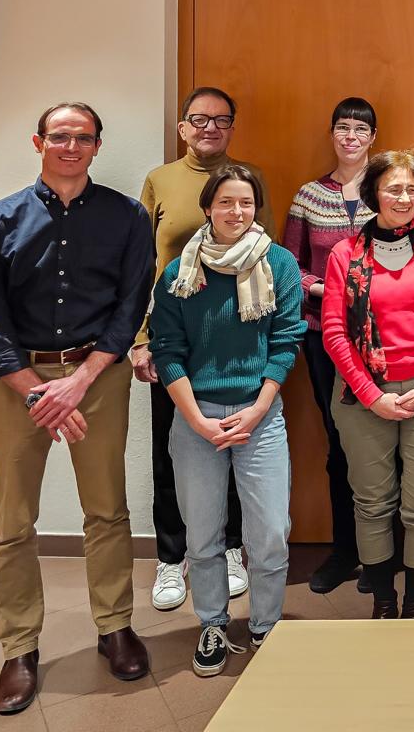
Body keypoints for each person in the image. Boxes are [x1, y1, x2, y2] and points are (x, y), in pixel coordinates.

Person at [0, 102, 152, 713]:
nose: (71, 146)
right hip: (15, 383)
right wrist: (37, 388)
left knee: (107, 509)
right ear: (39, 142)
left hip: (97, 376)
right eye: (60, 136)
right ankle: (19, 648)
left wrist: (79, 381)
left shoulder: (127, 216)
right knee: (12, 521)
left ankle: (115, 627)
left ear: (97, 146)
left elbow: (131, 304)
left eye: (84, 137)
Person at [150, 165, 305, 676]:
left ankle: (266, 626)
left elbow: (286, 341)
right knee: (202, 535)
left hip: (260, 415)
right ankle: (213, 624)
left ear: (256, 208)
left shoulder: (278, 264)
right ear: (207, 208)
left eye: (245, 203)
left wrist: (258, 409)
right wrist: (197, 419)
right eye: (225, 202)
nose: (236, 212)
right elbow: (167, 351)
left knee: (270, 532)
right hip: (196, 419)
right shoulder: (180, 273)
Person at [135, 86, 274, 611]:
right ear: (183, 128)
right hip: (172, 341)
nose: (210, 127)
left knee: (233, 444)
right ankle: (173, 558)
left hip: (235, 341)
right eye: (199, 119)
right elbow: (143, 267)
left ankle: (230, 548)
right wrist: (141, 339)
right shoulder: (160, 180)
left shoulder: (249, 177)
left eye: (221, 119)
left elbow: (265, 256)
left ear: (232, 127)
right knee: (170, 452)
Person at [325, 151, 414, 619]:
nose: (404, 198)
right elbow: (334, 333)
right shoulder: (346, 254)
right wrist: (373, 396)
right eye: (393, 188)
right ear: (374, 193)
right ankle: (384, 602)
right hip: (363, 393)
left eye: (412, 189)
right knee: (372, 503)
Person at [283, 97, 379, 594]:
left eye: (360, 129)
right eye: (343, 127)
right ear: (332, 134)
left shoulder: (388, 188)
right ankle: (345, 551)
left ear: (373, 138)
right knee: (339, 440)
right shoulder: (309, 196)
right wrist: (325, 288)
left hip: (385, 336)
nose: (351, 136)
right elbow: (290, 265)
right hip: (323, 334)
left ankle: (384, 553)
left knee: (386, 440)